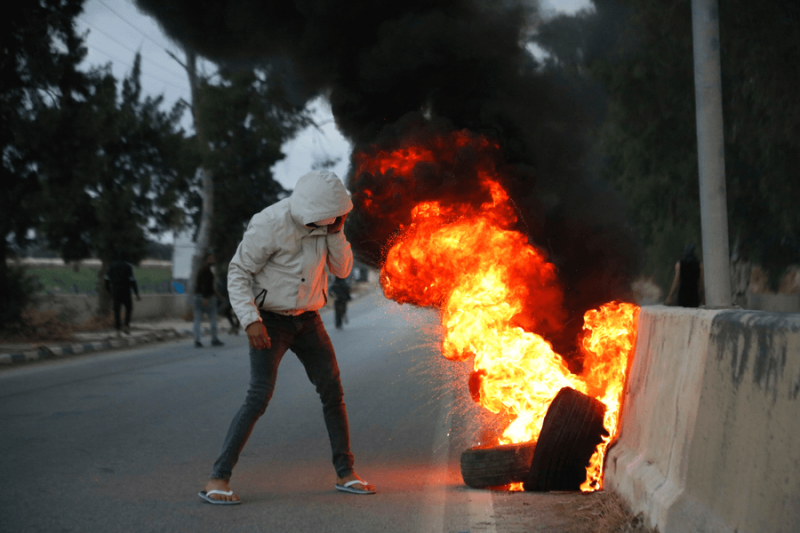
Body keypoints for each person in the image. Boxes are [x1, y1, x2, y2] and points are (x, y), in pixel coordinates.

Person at [198, 169, 376, 505]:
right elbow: (238, 271)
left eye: (337, 218)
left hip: (309, 319)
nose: (332, 222)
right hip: (270, 321)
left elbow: (342, 271)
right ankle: (217, 479)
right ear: (309, 212)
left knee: (332, 392)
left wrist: (336, 233)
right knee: (259, 397)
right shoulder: (269, 223)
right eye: (328, 220)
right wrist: (250, 320)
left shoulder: (328, 224)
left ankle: (346, 474)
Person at [104, 250, 141, 336]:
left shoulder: (112, 266)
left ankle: (118, 329)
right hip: (126, 291)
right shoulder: (128, 266)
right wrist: (137, 294)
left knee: (117, 310)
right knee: (129, 308)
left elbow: (106, 279)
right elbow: (132, 281)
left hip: (116, 291)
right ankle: (126, 325)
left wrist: (109, 291)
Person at [193, 251, 224, 348]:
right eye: (211, 258)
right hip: (207, 298)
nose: (213, 260)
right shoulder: (207, 270)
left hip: (199, 297)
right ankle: (214, 339)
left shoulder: (202, 270)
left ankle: (197, 341)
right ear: (206, 260)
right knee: (212, 319)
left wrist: (217, 295)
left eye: (213, 258)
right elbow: (204, 286)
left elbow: (207, 286)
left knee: (198, 319)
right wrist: (205, 297)